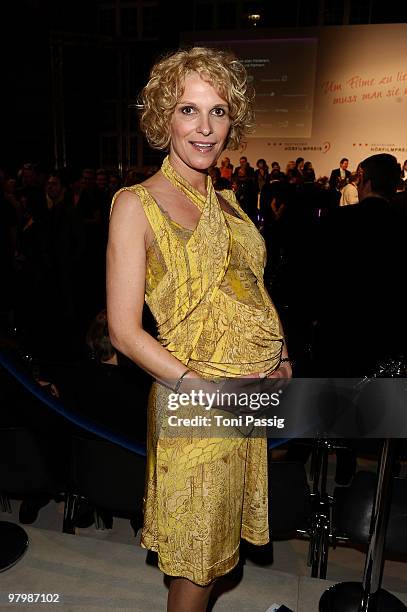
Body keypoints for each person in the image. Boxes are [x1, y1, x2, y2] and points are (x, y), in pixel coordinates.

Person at [107, 46, 291, 612]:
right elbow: (123, 332)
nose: (206, 128)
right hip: (193, 402)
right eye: (189, 110)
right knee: (197, 566)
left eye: (219, 111)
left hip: (248, 401)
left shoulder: (231, 205)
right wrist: (205, 391)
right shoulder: (136, 204)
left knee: (213, 551)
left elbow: (251, 288)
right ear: (164, 118)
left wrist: (282, 357)